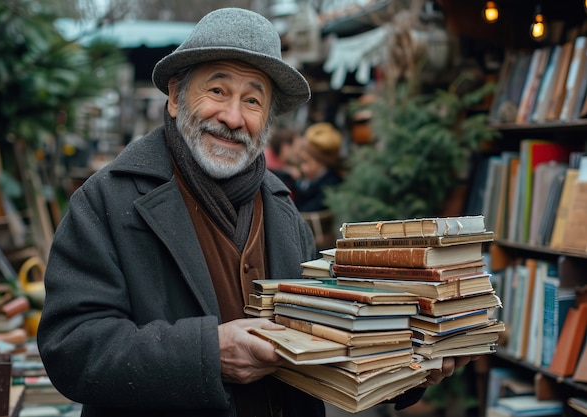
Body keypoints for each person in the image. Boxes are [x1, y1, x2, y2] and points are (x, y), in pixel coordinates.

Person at [36, 7, 476, 417]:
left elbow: (316, 342)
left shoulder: (283, 211)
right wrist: (208, 355)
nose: (233, 117)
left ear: (267, 118)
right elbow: (71, 348)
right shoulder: (107, 201)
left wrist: (406, 363)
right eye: (217, 90)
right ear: (175, 97)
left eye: (252, 100)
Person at [294, 122, 344, 212]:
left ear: (321, 162)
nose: (302, 168)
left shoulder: (330, 186)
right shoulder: (304, 181)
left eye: (305, 162)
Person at [264, 126, 302, 198]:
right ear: (285, 147)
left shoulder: (284, 167)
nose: (300, 153)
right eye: (298, 148)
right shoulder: (269, 169)